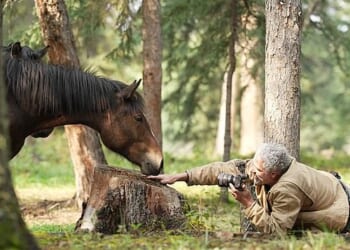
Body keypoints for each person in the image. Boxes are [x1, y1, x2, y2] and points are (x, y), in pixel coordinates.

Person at [148, 143, 350, 234]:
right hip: (331, 188)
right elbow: (222, 169)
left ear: (274, 174)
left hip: (341, 209)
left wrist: (249, 203)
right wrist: (182, 176)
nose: (252, 172)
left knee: (295, 226)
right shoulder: (263, 167)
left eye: (259, 171)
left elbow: (277, 231)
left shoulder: (288, 188)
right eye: (254, 164)